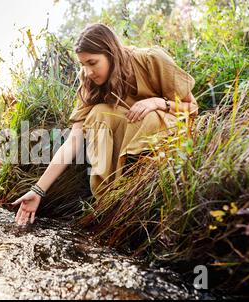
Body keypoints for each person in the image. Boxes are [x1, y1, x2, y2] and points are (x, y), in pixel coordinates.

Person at [12, 23, 198, 226]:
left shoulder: (150, 59)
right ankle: (109, 199)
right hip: (128, 134)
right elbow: (74, 140)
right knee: (99, 113)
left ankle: (142, 187)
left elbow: (192, 107)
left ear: (111, 53)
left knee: (149, 117)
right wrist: (38, 190)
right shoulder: (89, 82)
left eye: (93, 62)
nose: (88, 71)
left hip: (167, 140)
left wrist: (158, 103)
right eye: (83, 64)